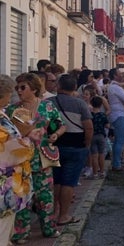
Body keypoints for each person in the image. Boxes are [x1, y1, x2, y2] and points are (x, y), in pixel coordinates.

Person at [6, 73, 65, 242]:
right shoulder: (12, 109)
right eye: (17, 88)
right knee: (22, 194)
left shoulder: (47, 106)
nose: (18, 91)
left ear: (34, 88)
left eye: (22, 87)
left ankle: (48, 228)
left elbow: (60, 125)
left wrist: (56, 135)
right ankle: (21, 232)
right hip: (20, 159)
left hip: (42, 157)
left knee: (45, 195)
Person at [0, 74, 41, 246]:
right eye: (10, 92)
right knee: (3, 226)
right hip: (5, 185)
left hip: (10, 183)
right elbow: (7, 149)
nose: (12, 96)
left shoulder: (3, 113)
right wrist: (27, 140)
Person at [51, 73, 92, 227]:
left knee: (55, 180)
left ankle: (53, 212)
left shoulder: (48, 103)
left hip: (54, 146)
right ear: (75, 87)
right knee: (68, 182)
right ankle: (64, 216)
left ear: (58, 87)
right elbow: (89, 127)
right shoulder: (80, 104)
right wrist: (86, 144)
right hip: (76, 146)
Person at [107, 68, 124, 172]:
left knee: (118, 141)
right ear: (114, 76)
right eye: (119, 74)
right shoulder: (115, 88)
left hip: (117, 114)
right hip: (119, 115)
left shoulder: (114, 87)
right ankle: (116, 164)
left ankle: (117, 163)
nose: (122, 75)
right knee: (120, 141)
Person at [88, 96, 109, 179]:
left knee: (94, 155)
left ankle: (95, 173)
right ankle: (102, 172)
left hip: (92, 135)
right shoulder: (103, 115)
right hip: (101, 136)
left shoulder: (90, 115)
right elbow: (107, 125)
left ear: (91, 104)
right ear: (101, 105)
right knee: (101, 154)